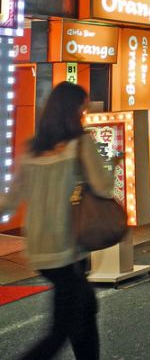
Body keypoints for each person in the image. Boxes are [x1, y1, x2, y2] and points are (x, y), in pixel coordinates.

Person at [0, 83, 112, 359]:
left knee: (85, 308)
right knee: (61, 330)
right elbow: (103, 186)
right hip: (67, 249)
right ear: (74, 111)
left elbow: (11, 200)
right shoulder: (80, 144)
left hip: (38, 248)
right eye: (82, 110)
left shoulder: (31, 149)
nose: (84, 115)